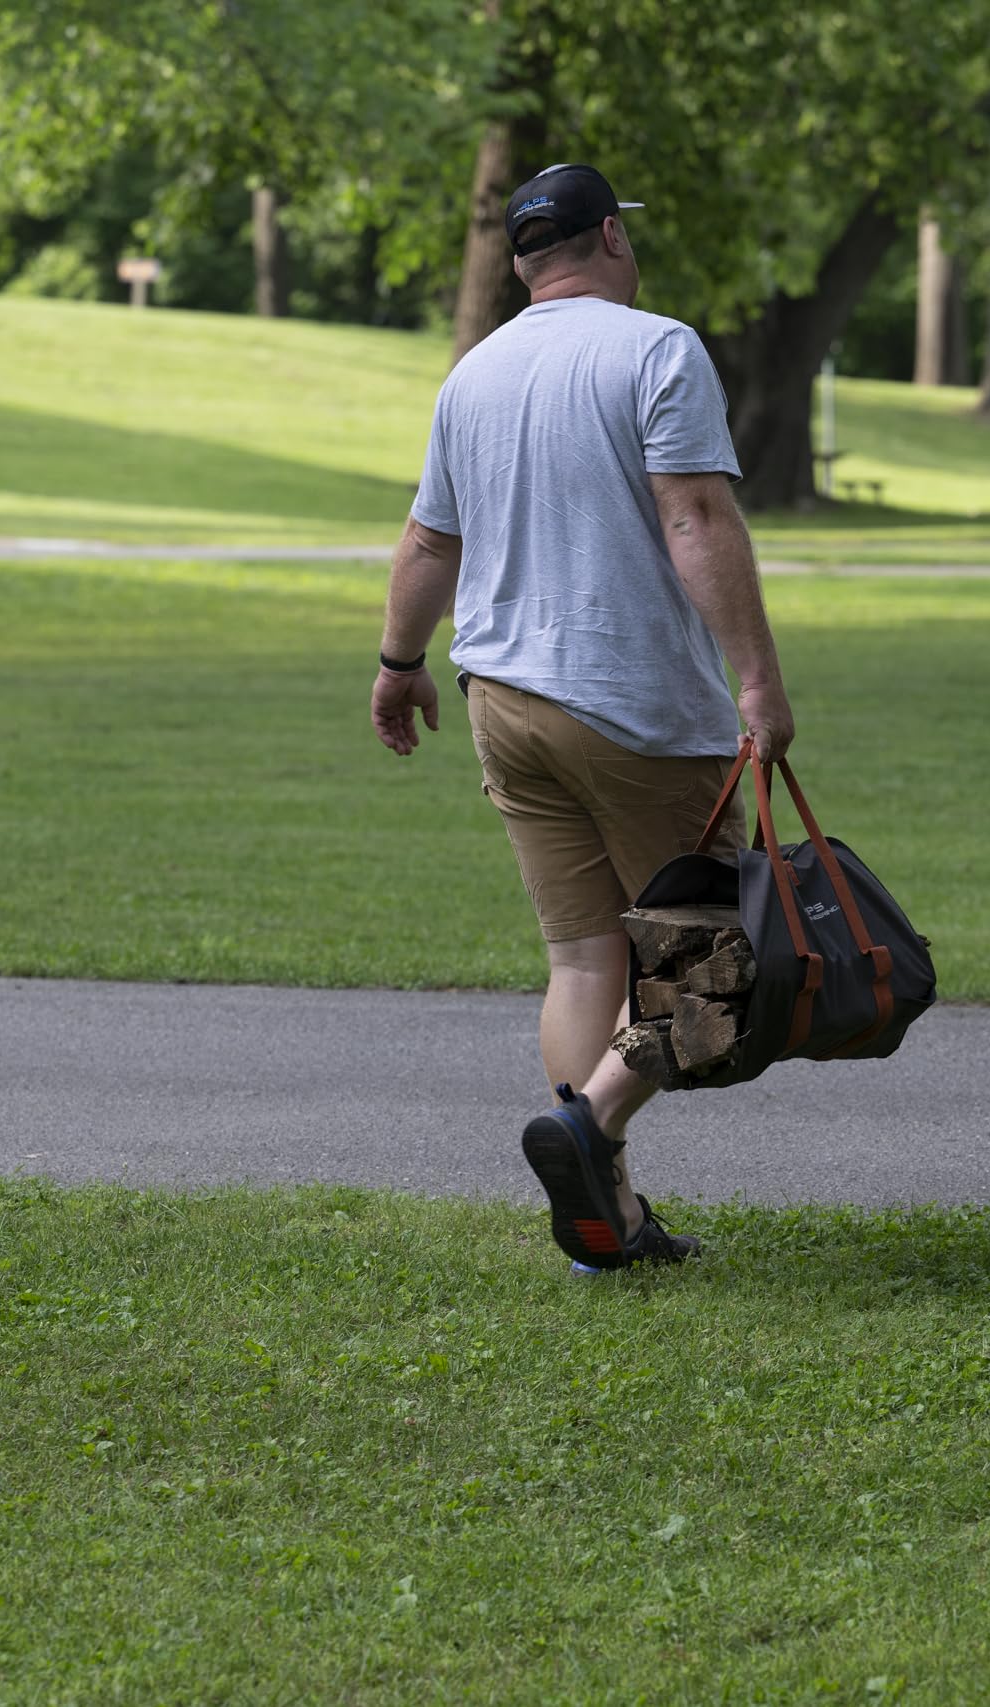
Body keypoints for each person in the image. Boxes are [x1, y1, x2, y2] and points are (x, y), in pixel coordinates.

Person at [368, 162, 794, 1272]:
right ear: (610, 236)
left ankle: (604, 1217)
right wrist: (756, 681)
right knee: (717, 958)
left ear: (520, 262)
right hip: (635, 708)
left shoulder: (474, 375)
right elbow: (695, 515)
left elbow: (427, 543)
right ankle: (588, 1126)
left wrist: (395, 661)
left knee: (582, 958)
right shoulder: (655, 348)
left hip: (500, 702)